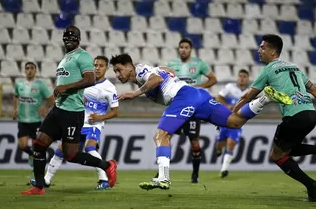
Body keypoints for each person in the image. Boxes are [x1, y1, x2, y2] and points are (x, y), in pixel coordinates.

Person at [110, 53, 291, 190]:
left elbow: (156, 79)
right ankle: (265, 98)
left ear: (129, 66)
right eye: (115, 72)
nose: (117, 75)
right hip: (198, 95)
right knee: (234, 122)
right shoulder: (148, 70)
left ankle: (163, 178)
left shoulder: (141, 70)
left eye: (119, 69)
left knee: (161, 135)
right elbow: (168, 71)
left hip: (183, 97)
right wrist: (164, 72)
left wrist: (134, 94)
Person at [20, 26, 117, 195]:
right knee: (39, 144)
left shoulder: (83, 56)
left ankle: (107, 165)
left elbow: (90, 79)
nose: (69, 40)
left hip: (73, 112)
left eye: (73, 37)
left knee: (70, 155)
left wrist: (66, 87)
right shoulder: (65, 58)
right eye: (66, 37)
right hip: (58, 109)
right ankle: (39, 186)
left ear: (79, 39)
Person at [233, 34, 316, 202]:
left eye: (263, 47)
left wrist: (233, 113)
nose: (259, 50)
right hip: (310, 114)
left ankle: (312, 186)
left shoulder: (269, 69)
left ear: (273, 51)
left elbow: (249, 95)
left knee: (277, 156)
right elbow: (314, 90)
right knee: (289, 149)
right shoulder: (295, 68)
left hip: (293, 116)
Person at [165, 38, 217, 183]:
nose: (183, 49)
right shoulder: (171, 64)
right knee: (165, 137)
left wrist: (200, 88)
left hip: (192, 109)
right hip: (175, 107)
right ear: (178, 49)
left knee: (194, 141)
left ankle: (195, 175)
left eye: (186, 47)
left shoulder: (199, 63)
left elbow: (213, 79)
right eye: (181, 47)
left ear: (190, 49)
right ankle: (161, 173)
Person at [13, 62, 54, 167]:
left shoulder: (40, 85)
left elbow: (51, 99)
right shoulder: (19, 84)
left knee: (37, 147)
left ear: (36, 71)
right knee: (22, 146)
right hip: (23, 120)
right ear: (25, 71)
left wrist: (45, 107)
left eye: (32, 68)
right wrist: (15, 109)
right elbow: (16, 96)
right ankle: (32, 154)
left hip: (36, 121)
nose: (29, 70)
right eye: (27, 68)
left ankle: (38, 170)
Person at [215, 69, 250, 178]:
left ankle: (224, 169)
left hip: (237, 122)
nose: (242, 78)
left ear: (248, 79)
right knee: (220, 144)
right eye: (240, 76)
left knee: (230, 144)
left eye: (244, 76)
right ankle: (219, 149)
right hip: (225, 120)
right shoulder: (230, 87)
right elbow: (219, 97)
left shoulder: (250, 91)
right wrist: (226, 106)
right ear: (237, 78)